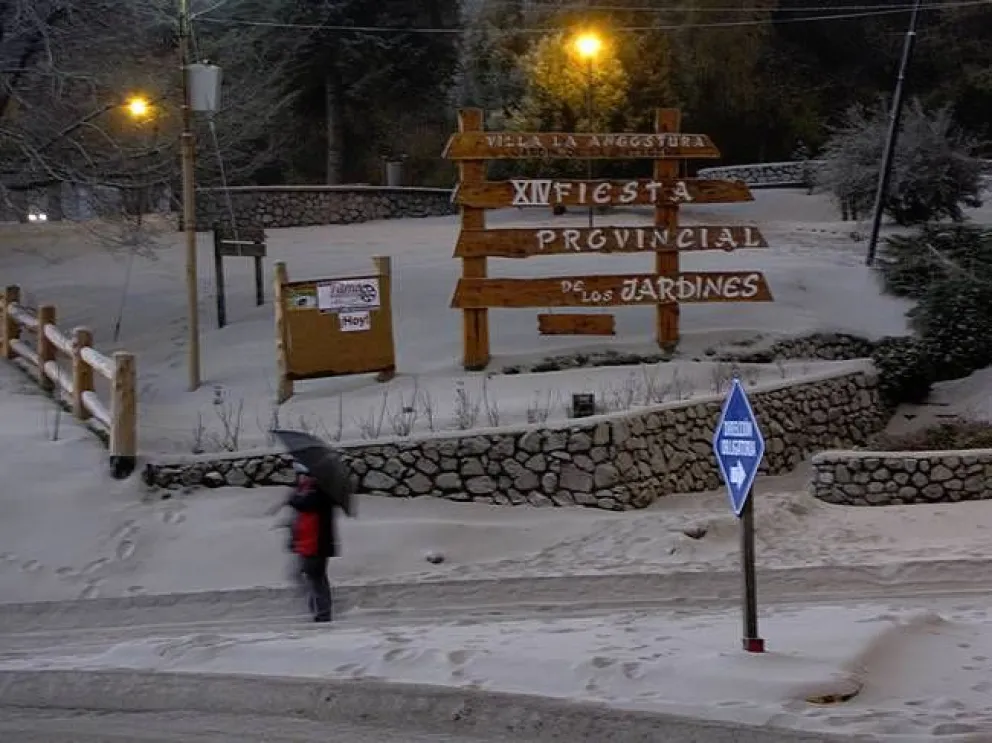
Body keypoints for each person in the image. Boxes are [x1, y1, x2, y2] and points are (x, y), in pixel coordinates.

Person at [285, 462, 338, 622]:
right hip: (305, 543)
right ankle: (317, 608)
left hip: (316, 545)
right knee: (307, 576)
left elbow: (305, 505)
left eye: (303, 475)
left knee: (316, 578)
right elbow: (299, 519)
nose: (301, 478)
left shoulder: (321, 492)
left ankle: (322, 613)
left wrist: (294, 498)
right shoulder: (306, 491)